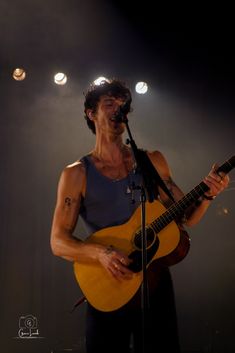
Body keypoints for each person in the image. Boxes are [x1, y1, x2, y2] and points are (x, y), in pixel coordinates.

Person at [50, 78, 229, 353]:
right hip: (109, 284)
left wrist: (209, 194)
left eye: (123, 105)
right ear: (90, 113)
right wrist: (101, 253)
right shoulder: (76, 173)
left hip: (155, 282)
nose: (118, 110)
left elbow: (186, 218)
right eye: (110, 104)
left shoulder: (152, 161)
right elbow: (58, 241)